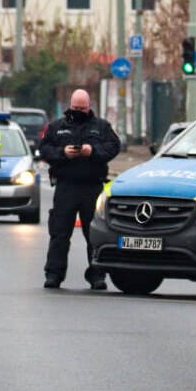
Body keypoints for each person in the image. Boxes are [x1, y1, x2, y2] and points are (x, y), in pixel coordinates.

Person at [39, 89, 120, 289]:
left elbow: (113, 147)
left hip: (92, 187)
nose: (78, 111)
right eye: (75, 108)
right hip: (66, 186)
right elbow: (44, 149)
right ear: (70, 106)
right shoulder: (57, 127)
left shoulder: (101, 127)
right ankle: (54, 274)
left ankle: (97, 275)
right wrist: (62, 153)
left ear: (89, 107)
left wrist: (92, 151)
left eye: (82, 108)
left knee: (93, 234)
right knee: (59, 233)